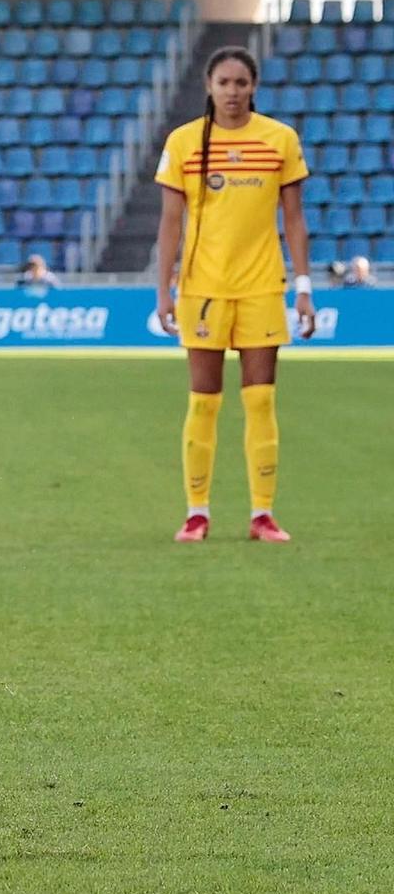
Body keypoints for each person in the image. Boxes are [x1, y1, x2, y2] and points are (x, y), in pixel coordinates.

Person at [154, 46, 314, 545]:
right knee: (204, 403)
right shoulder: (183, 143)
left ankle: (262, 514)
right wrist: (163, 289)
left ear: (253, 86)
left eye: (241, 83)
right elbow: (170, 222)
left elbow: (293, 219)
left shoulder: (279, 139)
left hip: (263, 286)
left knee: (261, 400)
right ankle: (196, 513)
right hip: (202, 288)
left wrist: (304, 286)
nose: (231, 91)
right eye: (223, 82)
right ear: (208, 85)